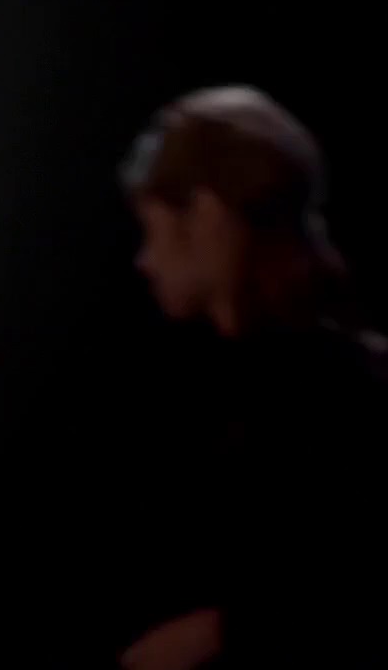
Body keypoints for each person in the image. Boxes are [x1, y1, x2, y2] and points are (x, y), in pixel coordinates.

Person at [115, 85, 386, 670]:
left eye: (152, 230)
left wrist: (222, 634)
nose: (145, 260)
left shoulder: (327, 392)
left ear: (206, 216)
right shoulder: (247, 379)